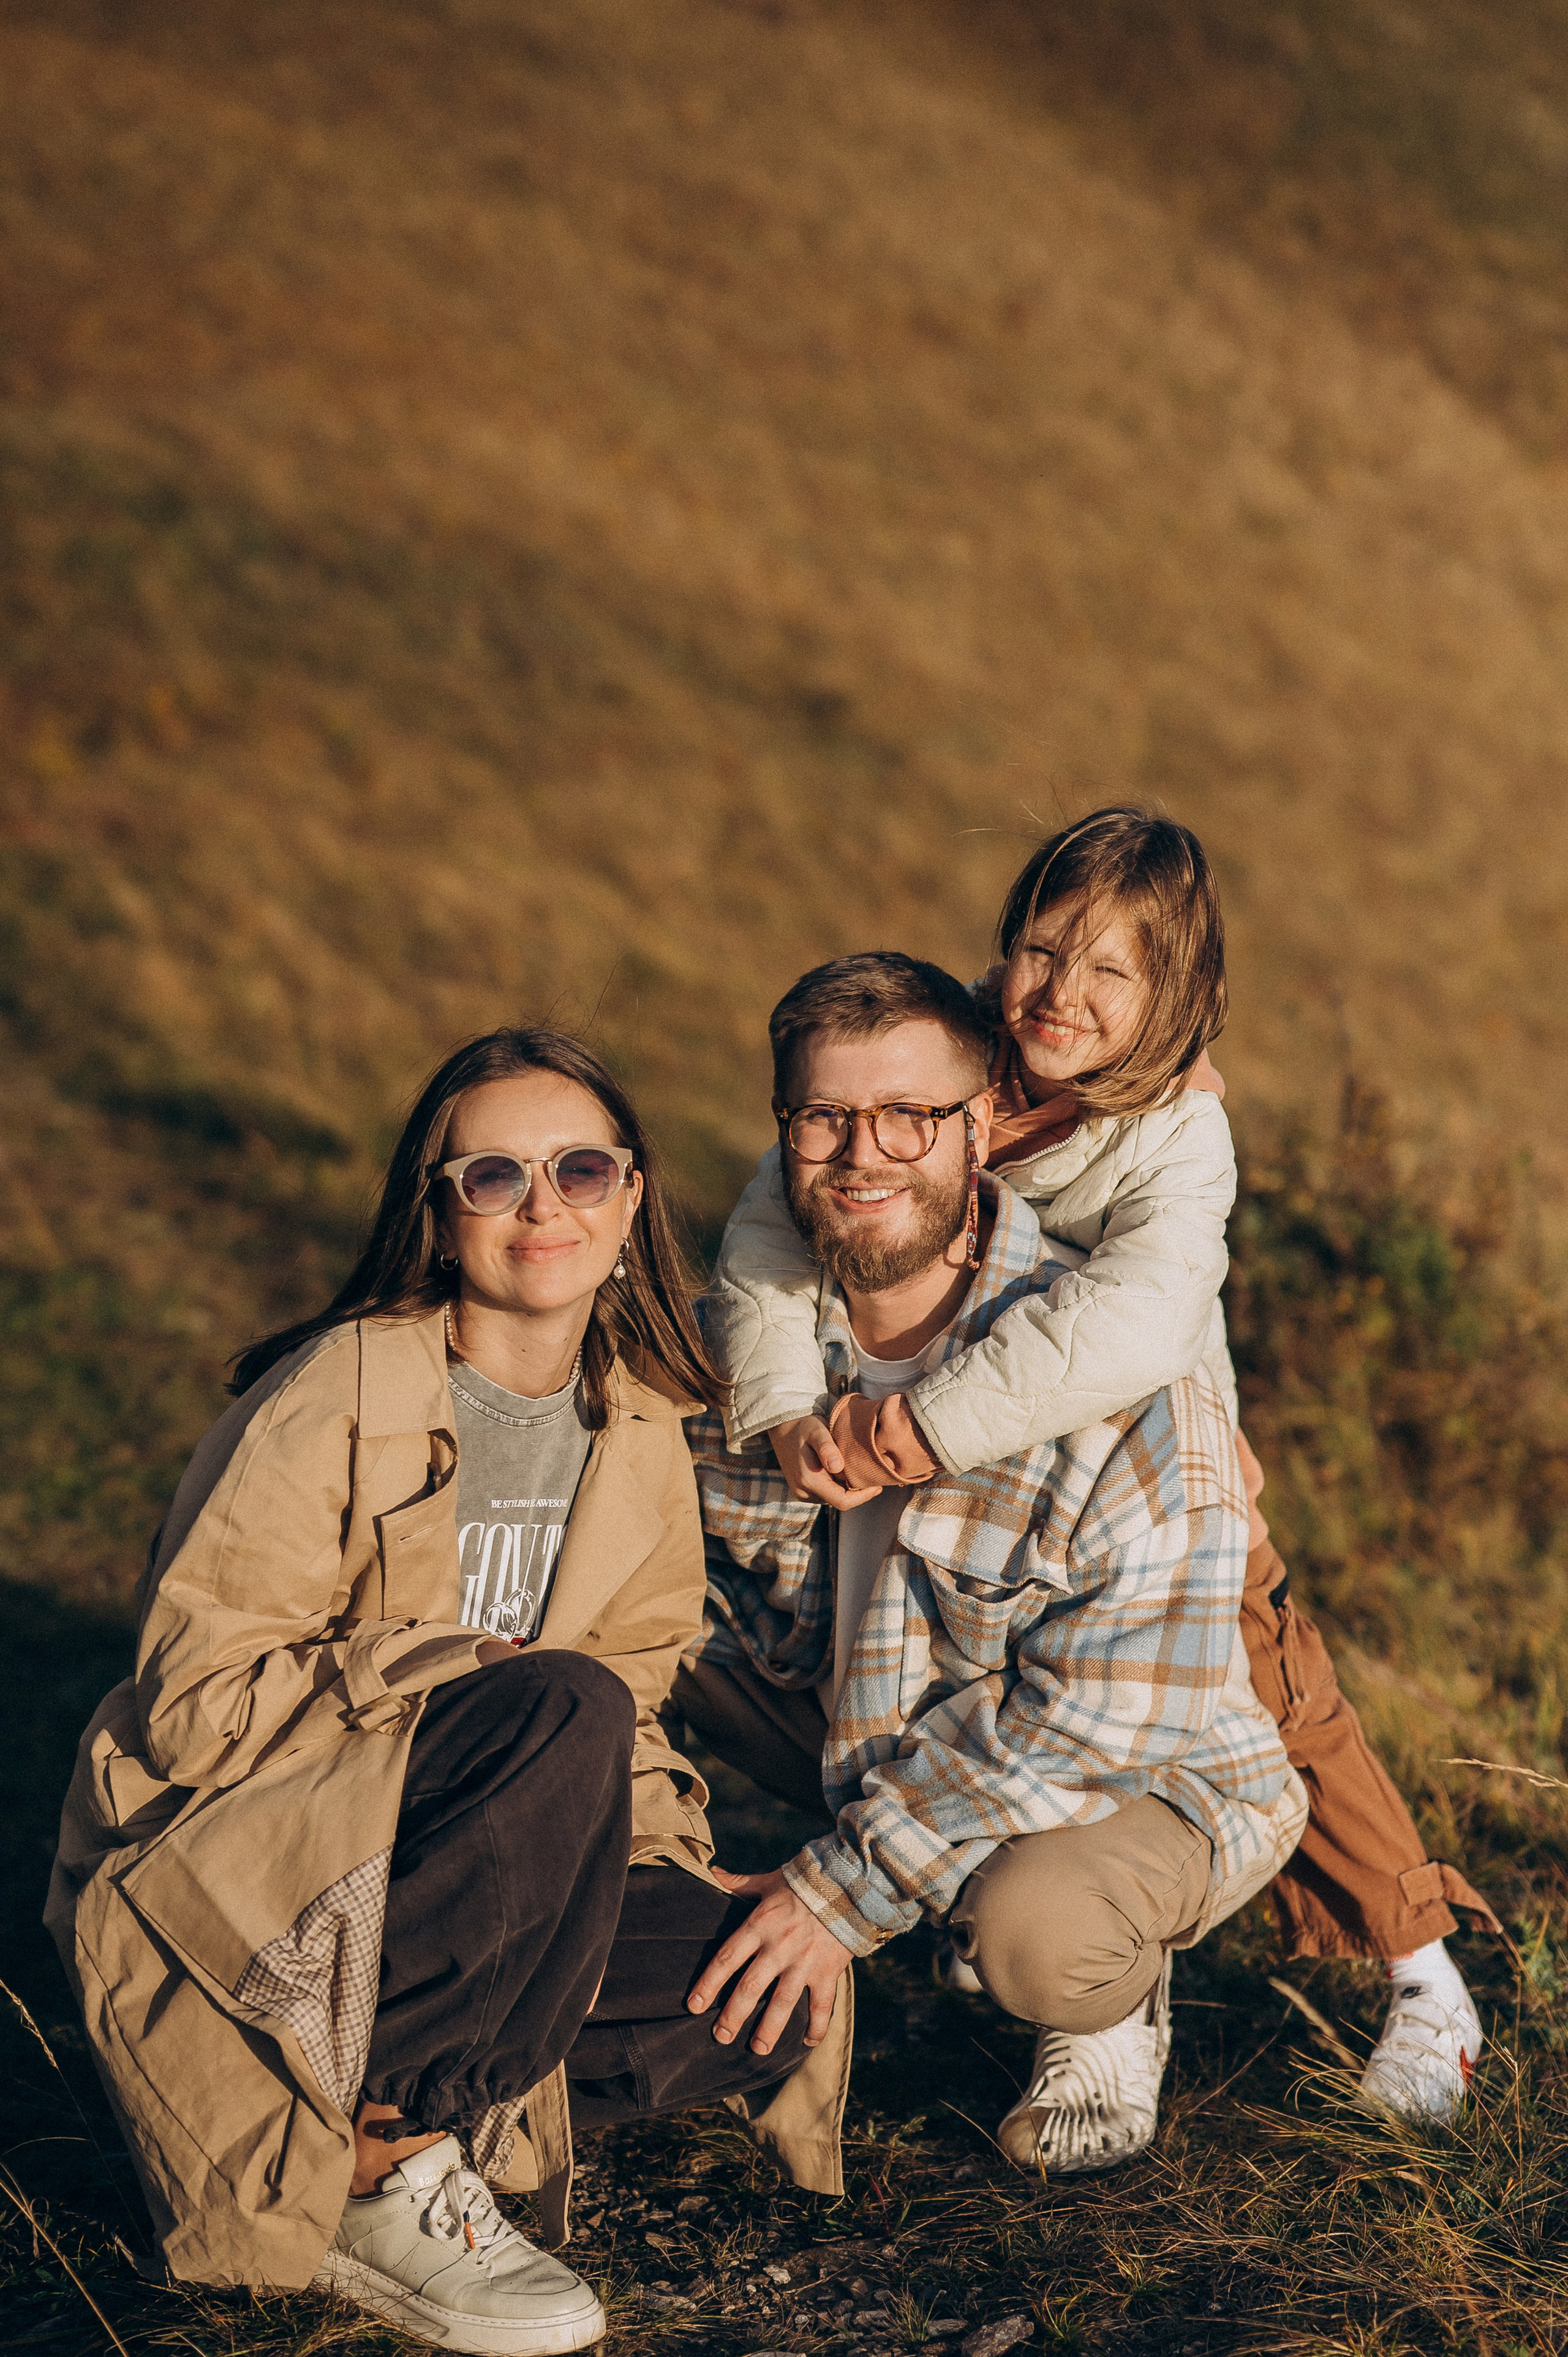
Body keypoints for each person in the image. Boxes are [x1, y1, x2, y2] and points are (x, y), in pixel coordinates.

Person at [703, 812, 1499, 2163]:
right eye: (1040, 947)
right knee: (963, 1653)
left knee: (1267, 1686)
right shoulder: (958, 1059)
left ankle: (1420, 1969)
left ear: (1173, 999)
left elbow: (1127, 1324)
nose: (1061, 992)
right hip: (992, 1447)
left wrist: (913, 1432)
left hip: (1151, 1452)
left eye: (1110, 972)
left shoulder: (1175, 1130)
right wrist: (781, 1405)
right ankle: (1010, 1882)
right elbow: (768, 1219)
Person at [47, 1027, 845, 2356]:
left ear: (633, 1193)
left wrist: (649, 1869)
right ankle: (382, 2159)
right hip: (269, 1859)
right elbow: (192, 1699)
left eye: (581, 1169)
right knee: (559, 1705)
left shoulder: (641, 1425)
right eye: (495, 1178)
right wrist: (444, 1670)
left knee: (765, 1987)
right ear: (438, 1204)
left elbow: (633, 1711)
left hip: (473, 1865)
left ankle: (416, 2086)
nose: (545, 1208)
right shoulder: (333, 1393)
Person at [677, 952, 1308, 2179]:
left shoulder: (1112, 1381)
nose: (863, 1154)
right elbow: (662, 1580)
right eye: (824, 1116)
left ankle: (1110, 2010)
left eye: (908, 1115)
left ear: (980, 1131)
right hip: (870, 1708)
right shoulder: (751, 1336)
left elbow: (1085, 1728)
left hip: (1141, 1772)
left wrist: (832, 1895)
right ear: (783, 1134)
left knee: (1032, 1929)